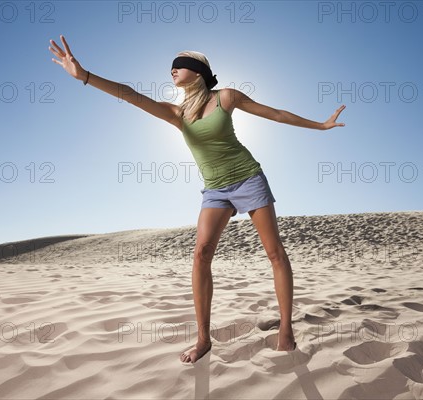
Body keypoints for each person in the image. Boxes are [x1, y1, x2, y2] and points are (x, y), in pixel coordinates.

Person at [48, 34, 346, 365]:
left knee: (274, 253)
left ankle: (286, 329)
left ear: (198, 72)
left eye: (179, 66)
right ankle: (203, 338)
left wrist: (320, 125)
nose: (172, 70)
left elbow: (275, 114)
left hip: (248, 178)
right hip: (216, 189)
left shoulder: (226, 98)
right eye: (172, 67)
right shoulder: (177, 114)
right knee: (201, 254)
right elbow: (131, 96)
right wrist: (85, 75)